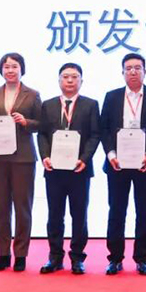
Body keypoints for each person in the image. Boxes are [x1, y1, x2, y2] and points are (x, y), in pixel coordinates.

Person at [100, 53, 146, 276]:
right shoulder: (112, 97)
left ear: (145, 72)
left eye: (137, 68)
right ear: (122, 72)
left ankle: (141, 258)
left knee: (144, 211)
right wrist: (111, 154)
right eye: (128, 68)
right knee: (116, 210)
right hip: (117, 164)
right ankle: (115, 258)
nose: (133, 71)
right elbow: (103, 128)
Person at [36, 63, 101, 275]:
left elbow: (95, 135)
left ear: (81, 81)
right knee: (55, 215)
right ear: (59, 80)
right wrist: (45, 156)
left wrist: (84, 159)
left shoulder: (91, 105)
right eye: (66, 77)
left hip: (79, 170)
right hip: (54, 170)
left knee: (79, 215)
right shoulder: (48, 105)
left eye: (75, 77)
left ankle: (77, 257)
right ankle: (55, 257)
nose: (70, 80)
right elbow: (42, 134)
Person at [0, 52, 42, 273]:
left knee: (22, 207)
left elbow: (42, 124)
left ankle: (20, 254)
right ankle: (3, 253)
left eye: (14, 66)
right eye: (6, 66)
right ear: (1, 69)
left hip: (23, 158)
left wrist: (26, 122)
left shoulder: (32, 94)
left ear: (22, 69)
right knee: (1, 207)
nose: (10, 70)